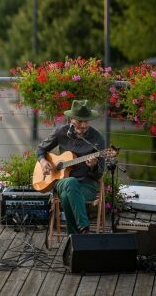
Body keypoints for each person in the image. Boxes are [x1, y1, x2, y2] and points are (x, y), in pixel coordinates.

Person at [36, 99, 106, 234]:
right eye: (79, 122)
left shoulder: (97, 139)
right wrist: (44, 162)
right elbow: (40, 150)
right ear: (72, 120)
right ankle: (84, 227)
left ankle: (74, 237)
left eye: (86, 122)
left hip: (86, 185)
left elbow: (99, 173)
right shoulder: (61, 132)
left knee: (68, 196)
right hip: (61, 181)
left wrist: (93, 166)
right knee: (71, 182)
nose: (83, 126)